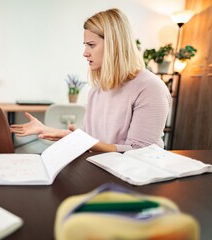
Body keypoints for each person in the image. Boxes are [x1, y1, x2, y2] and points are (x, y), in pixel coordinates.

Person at [10, 8, 171, 152]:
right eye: (85, 45)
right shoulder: (98, 87)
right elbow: (91, 140)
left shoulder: (150, 88)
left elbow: (141, 153)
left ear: (114, 45)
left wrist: (77, 139)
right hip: (99, 169)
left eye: (91, 45)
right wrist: (59, 133)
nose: (85, 53)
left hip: (132, 179)